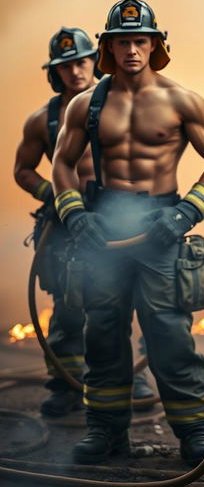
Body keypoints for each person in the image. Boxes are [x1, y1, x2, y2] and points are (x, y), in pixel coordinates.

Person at [52, 0, 204, 465]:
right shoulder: (86, 105)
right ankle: (105, 432)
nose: (131, 50)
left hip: (160, 228)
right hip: (101, 229)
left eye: (139, 41)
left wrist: (186, 214)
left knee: (169, 333)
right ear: (108, 47)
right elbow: (62, 165)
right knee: (101, 332)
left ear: (155, 45)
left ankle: (194, 431)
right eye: (122, 41)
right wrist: (74, 215)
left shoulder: (182, 101)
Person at [14, 27, 99, 416]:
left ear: (94, 61)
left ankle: (132, 379)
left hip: (113, 218)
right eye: (66, 65)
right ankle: (65, 385)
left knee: (128, 300)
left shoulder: (120, 104)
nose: (75, 71)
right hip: (65, 224)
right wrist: (51, 194)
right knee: (67, 306)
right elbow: (23, 170)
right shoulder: (42, 120)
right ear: (55, 72)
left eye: (81, 61)